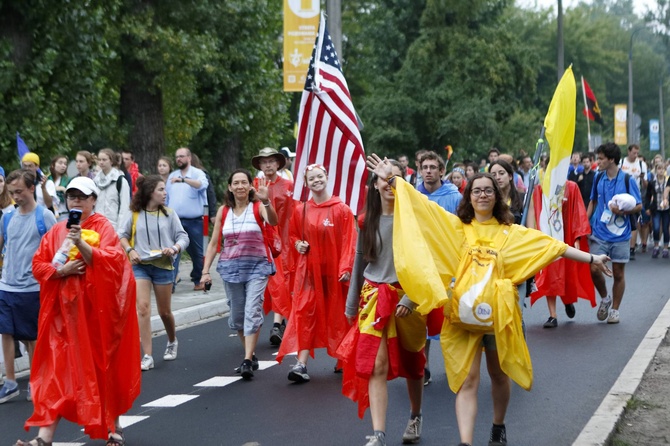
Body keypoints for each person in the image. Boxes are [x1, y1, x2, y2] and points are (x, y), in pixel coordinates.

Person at [368, 156, 612, 446]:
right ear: (468, 197)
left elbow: (552, 247)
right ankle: (466, 442)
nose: (482, 195)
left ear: (497, 197)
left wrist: (593, 258)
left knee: (498, 375)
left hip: (498, 316)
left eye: (488, 190)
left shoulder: (512, 234)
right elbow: (422, 206)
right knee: (468, 381)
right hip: (462, 317)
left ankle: (498, 425)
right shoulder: (456, 228)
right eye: (476, 190)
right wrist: (394, 180)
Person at [15, 176, 140, 446]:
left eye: (82, 197)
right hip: (64, 318)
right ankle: (43, 437)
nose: (76, 201)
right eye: (72, 196)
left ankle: (113, 426)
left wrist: (80, 244)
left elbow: (114, 262)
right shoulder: (57, 230)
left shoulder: (103, 227)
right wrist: (62, 271)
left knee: (102, 368)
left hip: (97, 316)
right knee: (57, 374)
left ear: (93, 200)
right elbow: (39, 265)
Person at [336, 160, 429, 446]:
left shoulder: (415, 216)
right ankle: (379, 434)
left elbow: (427, 262)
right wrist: (351, 306)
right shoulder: (365, 219)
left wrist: (411, 299)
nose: (389, 184)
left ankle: (415, 416)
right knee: (376, 365)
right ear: (374, 186)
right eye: (384, 179)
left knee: (413, 365)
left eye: (396, 179)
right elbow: (358, 260)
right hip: (374, 298)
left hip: (407, 299)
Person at [276, 164, 356, 383]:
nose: (316, 181)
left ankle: (344, 358)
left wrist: (346, 268)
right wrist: (298, 244)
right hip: (310, 274)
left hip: (335, 275)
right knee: (304, 313)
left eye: (320, 176)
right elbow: (292, 236)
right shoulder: (301, 210)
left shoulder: (342, 209)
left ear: (327, 177)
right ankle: (301, 364)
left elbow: (350, 241)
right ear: (306, 183)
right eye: (312, 178)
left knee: (339, 315)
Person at [202, 169, 277, 380]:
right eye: (236, 183)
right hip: (230, 268)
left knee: (252, 310)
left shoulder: (257, 207)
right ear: (230, 187)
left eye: (244, 182)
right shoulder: (224, 211)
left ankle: (246, 360)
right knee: (237, 316)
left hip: (257, 267)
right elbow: (214, 243)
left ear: (250, 186)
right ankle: (250, 355)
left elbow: (273, 221)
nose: (240, 186)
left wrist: (267, 202)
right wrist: (205, 271)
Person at [118, 175, 189, 371]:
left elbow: (183, 237)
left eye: (165, 189)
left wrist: (174, 249)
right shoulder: (134, 214)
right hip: (140, 265)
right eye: (161, 189)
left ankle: (172, 340)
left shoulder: (169, 214)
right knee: (142, 308)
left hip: (163, 266)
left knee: (164, 312)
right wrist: (130, 250)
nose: (165, 193)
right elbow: (122, 236)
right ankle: (148, 355)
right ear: (150, 192)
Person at [0, 169, 57, 404]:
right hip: (6, 285)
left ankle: (35, 381)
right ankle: (11, 382)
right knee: (5, 332)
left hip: (32, 288)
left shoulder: (45, 217)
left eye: (20, 192)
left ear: (32, 189)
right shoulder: (7, 218)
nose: (15, 197)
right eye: (12, 192)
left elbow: (56, 251)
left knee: (32, 337)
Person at [527, 180, 595, 328]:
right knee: (550, 274)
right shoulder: (540, 189)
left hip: (567, 237)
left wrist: (577, 237)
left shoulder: (571, 187)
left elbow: (578, 212)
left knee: (567, 274)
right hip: (548, 238)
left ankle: (568, 300)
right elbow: (534, 211)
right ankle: (553, 315)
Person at [588, 142, 642, 324]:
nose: (598, 162)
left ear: (611, 159)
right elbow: (593, 202)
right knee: (594, 268)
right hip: (600, 232)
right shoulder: (598, 178)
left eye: (601, 159)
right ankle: (605, 298)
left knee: (618, 273)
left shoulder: (628, 180)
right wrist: (584, 224)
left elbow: (639, 205)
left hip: (621, 235)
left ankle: (615, 310)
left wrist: (624, 212)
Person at [251, 147, 295, 345]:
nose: (268, 164)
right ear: (260, 165)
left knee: (282, 283)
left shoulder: (289, 186)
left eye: (271, 161)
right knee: (270, 285)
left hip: (286, 241)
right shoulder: (253, 186)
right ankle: (267, 323)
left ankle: (277, 324)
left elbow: (297, 213)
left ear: (278, 163)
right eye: (264, 161)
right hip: (261, 243)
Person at [167, 147, 209, 291]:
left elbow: (203, 185)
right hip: (175, 220)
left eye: (182, 156)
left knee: (197, 252)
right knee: (173, 252)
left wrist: (184, 180)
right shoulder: (172, 176)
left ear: (189, 158)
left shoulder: (198, 173)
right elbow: (166, 197)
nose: (178, 159)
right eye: (177, 156)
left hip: (195, 221)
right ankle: (170, 283)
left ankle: (199, 280)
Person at [619, 144, 647, 259]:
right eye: (634, 153)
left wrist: (641, 178)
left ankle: (632, 248)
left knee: (633, 221)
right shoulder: (621, 162)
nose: (635, 155)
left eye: (637, 153)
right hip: (622, 195)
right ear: (628, 152)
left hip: (635, 195)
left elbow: (646, 184)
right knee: (620, 219)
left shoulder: (641, 164)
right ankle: (620, 245)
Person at [92, 148, 131, 232]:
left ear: (111, 161)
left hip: (113, 226)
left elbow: (124, 208)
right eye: (99, 160)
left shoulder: (120, 181)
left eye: (104, 159)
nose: (101, 162)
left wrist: (120, 231)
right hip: (97, 225)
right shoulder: (95, 181)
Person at [647, 163, 670, 258]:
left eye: (662, 168)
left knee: (665, 228)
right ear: (656, 170)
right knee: (656, 227)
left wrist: (667, 201)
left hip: (666, 209)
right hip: (656, 208)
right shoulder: (652, 182)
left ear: (665, 170)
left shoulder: (667, 181)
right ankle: (656, 246)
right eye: (659, 168)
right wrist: (648, 207)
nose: (660, 170)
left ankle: (665, 248)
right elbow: (648, 195)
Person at [190, 153, 217, 222]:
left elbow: (210, 194)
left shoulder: (203, 176)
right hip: (190, 210)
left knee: (204, 232)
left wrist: (213, 214)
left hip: (203, 210)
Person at [47, 155, 69, 221]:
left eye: (65, 164)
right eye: (60, 163)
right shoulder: (47, 179)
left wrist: (64, 189)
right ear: (53, 165)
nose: (63, 166)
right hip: (49, 213)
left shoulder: (68, 180)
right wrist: (55, 188)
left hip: (63, 214)